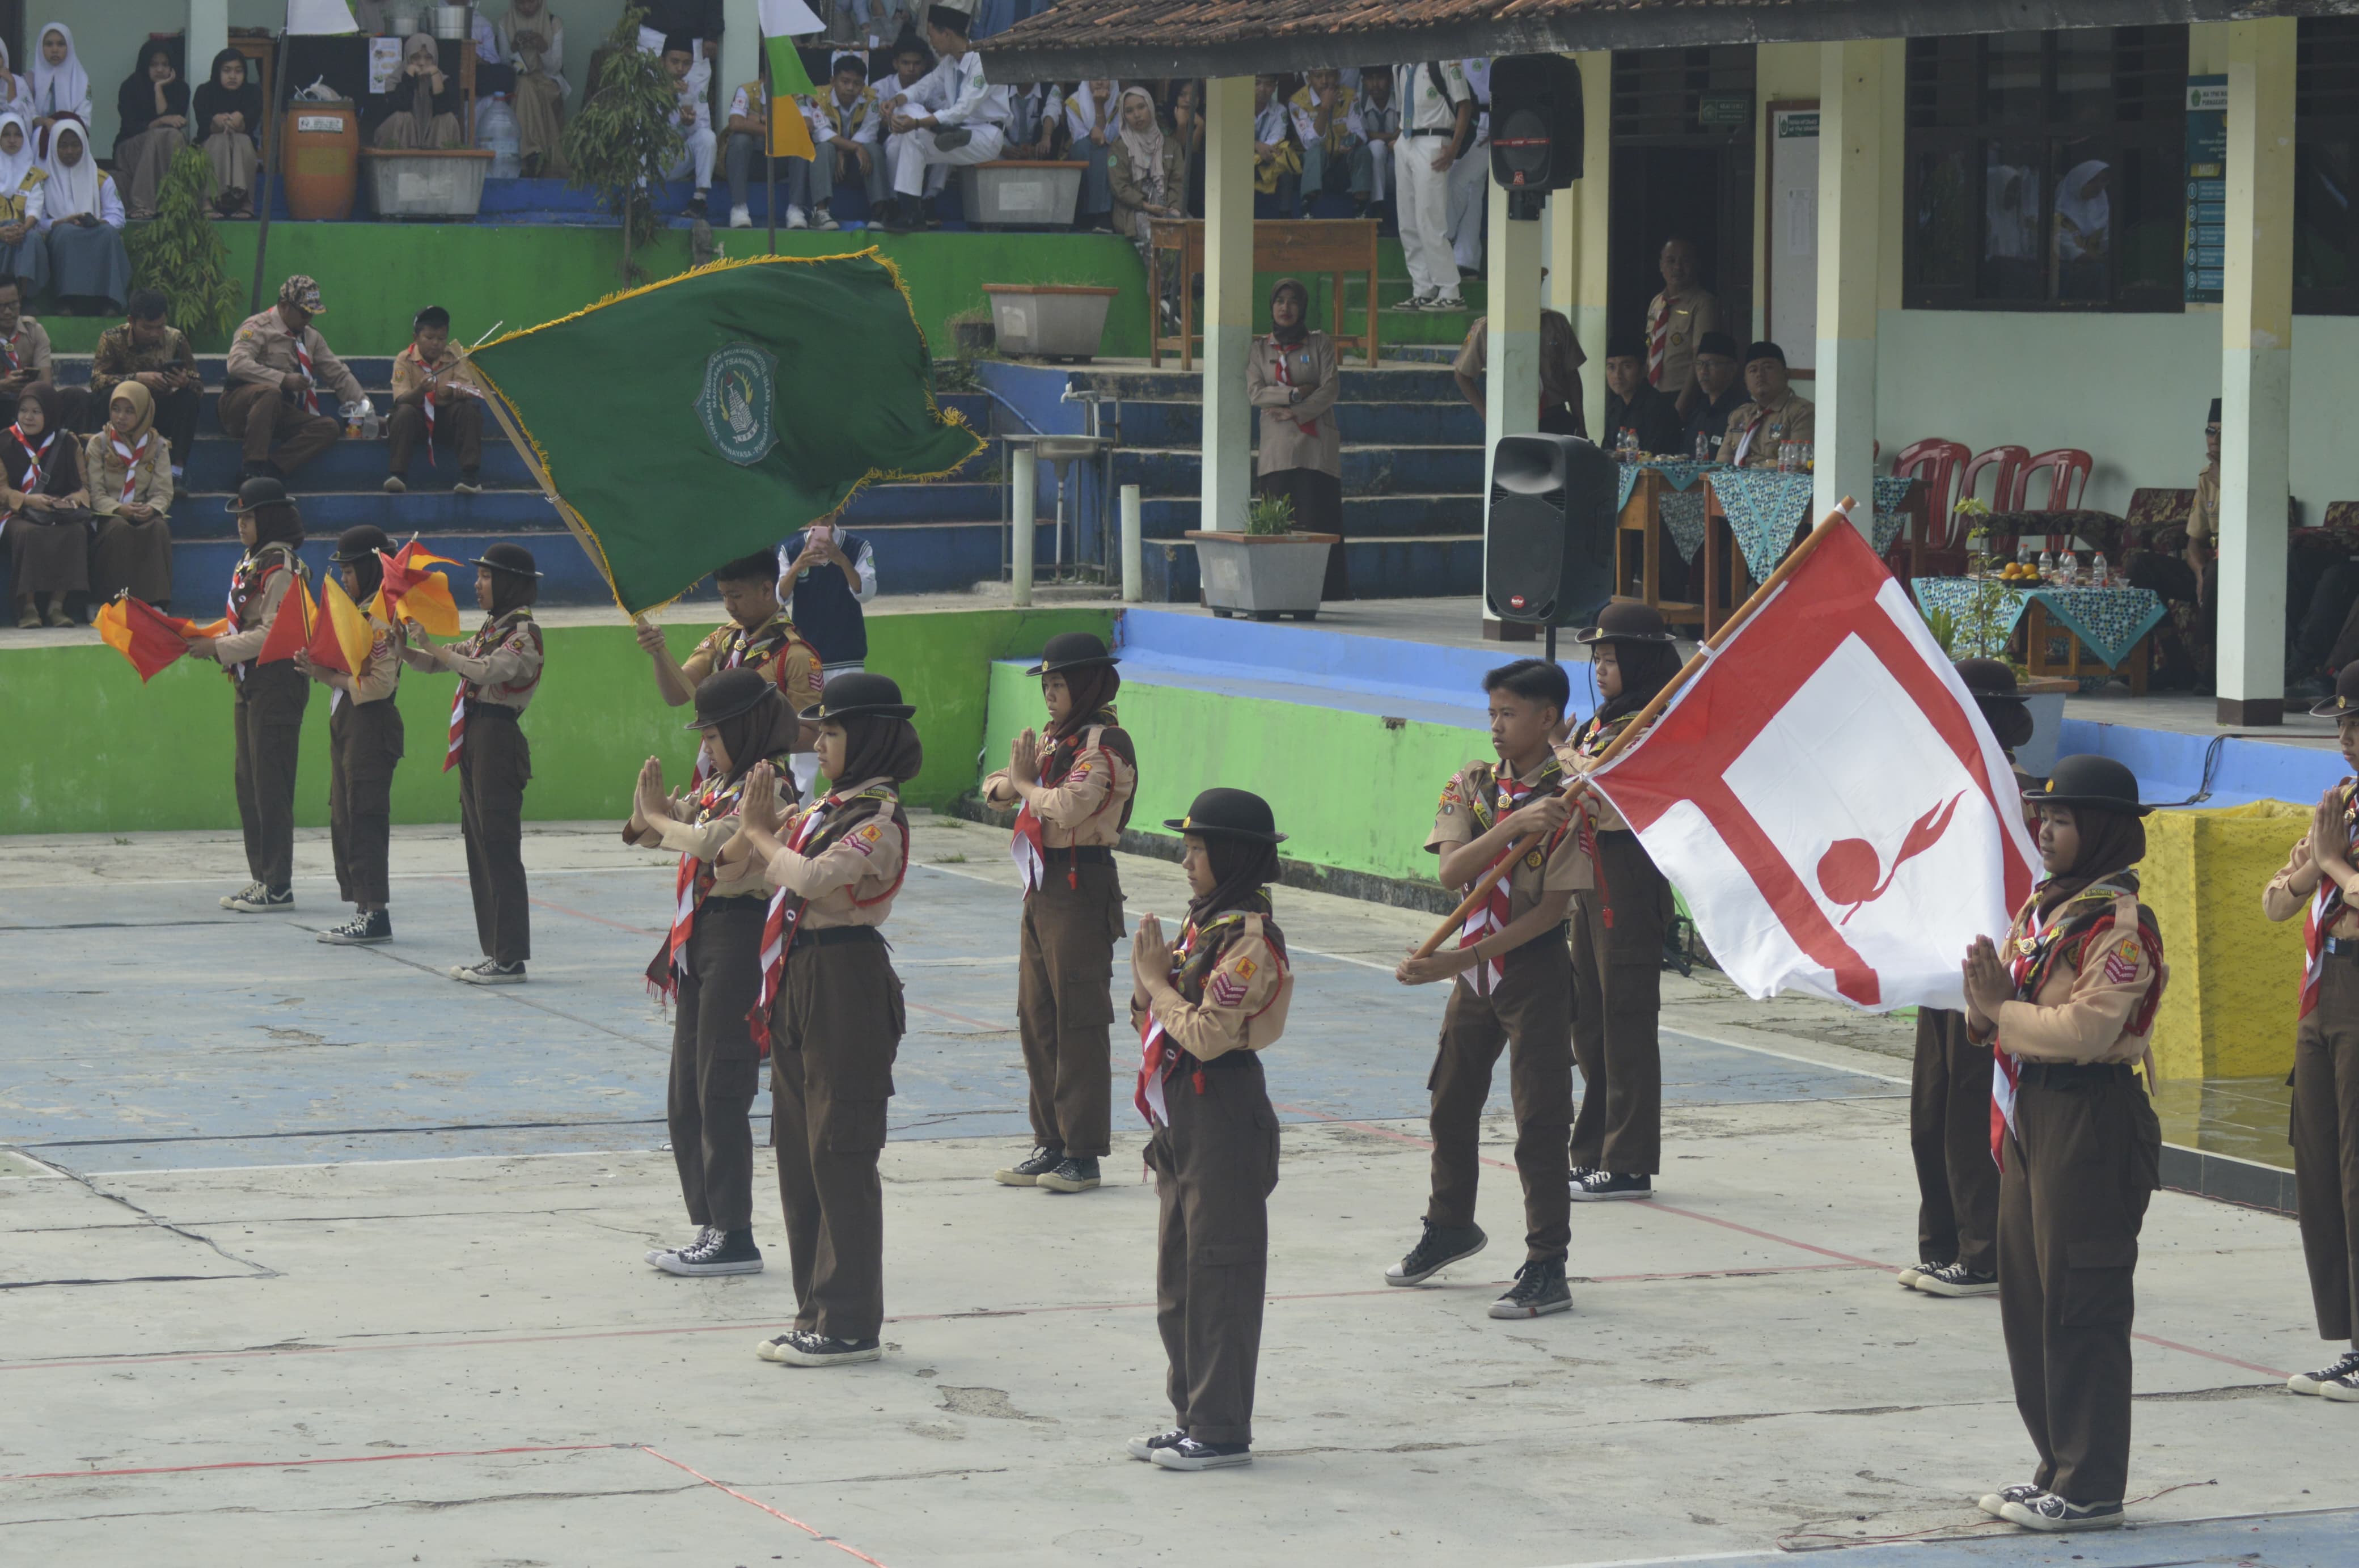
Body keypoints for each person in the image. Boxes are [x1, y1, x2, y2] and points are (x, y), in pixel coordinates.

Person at [1960, 755, 2166, 1535]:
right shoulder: (2046, 910)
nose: (2046, 830)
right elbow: (2007, 998)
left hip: (2090, 1117)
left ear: (2105, 830)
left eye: (2065, 819)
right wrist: (1986, 1008)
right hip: (2031, 1111)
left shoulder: (2120, 926)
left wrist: (1999, 1011)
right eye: (2044, 816)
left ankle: (2092, 1484)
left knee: (2083, 1299)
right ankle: (2056, 1464)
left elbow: (2087, 1029)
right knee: (2030, 1297)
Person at [1389, 657, 1590, 1318]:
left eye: (1510, 714)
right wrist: (1507, 828)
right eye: (1491, 714)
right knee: (1450, 1098)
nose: (1497, 727)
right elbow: (1451, 875)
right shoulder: (1471, 785)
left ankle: (1545, 1263)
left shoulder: (1573, 797)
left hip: (1530, 970)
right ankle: (1449, 1223)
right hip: (1473, 971)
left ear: (1548, 718)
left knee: (1538, 1120)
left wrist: (1454, 960)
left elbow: (1548, 913)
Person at [732, 673, 922, 1368]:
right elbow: (745, 864)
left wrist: (759, 832)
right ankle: (813, 1307)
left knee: (839, 1147)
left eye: (835, 731)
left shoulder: (878, 817)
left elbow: (811, 880)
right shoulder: (826, 808)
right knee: (796, 1146)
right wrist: (751, 831)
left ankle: (848, 1320)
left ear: (868, 737)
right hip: (797, 970)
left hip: (844, 976)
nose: (821, 740)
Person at [1127, 787, 1293, 1473]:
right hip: (1182, 1112)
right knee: (1179, 1274)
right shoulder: (1207, 925)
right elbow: (1153, 1016)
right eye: (1187, 845)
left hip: (1221, 1106)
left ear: (1229, 854)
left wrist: (1155, 984)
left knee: (1219, 1271)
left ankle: (1221, 1427)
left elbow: (1204, 1034)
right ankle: (1190, 1414)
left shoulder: (1248, 940)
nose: (1185, 858)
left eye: (1197, 847)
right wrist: (1151, 984)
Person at [628, 668, 802, 1279]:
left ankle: (734, 1232)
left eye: (713, 734)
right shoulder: (728, 779)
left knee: (721, 1085)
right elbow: (676, 824)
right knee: (685, 1090)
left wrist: (662, 818)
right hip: (701, 932)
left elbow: (712, 842)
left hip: (738, 935)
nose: (705, 746)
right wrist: (650, 812)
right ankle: (709, 1222)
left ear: (744, 727)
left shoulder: (770, 785)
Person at [980, 631, 1138, 1195]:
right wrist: (1019, 784)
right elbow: (993, 787)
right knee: (1036, 1016)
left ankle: (1082, 1151)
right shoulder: (1055, 741)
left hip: (1080, 882)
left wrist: (1022, 784)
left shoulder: (1104, 744)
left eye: (1059, 683)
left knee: (1079, 1019)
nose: (1049, 694)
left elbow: (1068, 806)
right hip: (1041, 882)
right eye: (1045, 684)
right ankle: (1049, 1139)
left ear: (1088, 683)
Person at [1900, 658, 2035, 1298]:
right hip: (1939, 966)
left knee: (1969, 1111)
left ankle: (1983, 1251)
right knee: (1930, 1108)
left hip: (1988, 970)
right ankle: (1943, 1241)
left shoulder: (2015, 792)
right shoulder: (1938, 784)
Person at [1554, 603, 1679, 1201]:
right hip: (1590, 877)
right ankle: (1592, 1148)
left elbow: (1598, 794)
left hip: (1627, 880)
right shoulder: (1601, 723)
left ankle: (1628, 1160)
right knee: (1588, 1018)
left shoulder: (1654, 723)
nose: (1600, 669)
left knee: (1625, 1021)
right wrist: (1567, 752)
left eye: (1611, 658)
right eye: (1597, 659)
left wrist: (1562, 753)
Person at [2260, 665, 2359, 1402]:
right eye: (2345, 724)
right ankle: (2352, 1335)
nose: (2349, 738)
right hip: (2322, 995)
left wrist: (2329, 866)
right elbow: (2275, 903)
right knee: (2322, 1168)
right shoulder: (2344, 805)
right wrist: (2308, 874)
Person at [399, 543, 546, 985]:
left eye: (485, 577)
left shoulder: (524, 633)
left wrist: (435, 648)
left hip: (497, 737)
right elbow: (438, 662)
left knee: (499, 845)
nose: (477, 585)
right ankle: (495, 950)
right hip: (475, 736)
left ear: (508, 583)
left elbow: (482, 671)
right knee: (480, 845)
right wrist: (405, 648)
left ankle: (510, 956)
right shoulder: (490, 629)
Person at [182, 477, 309, 911]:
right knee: (249, 782)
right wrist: (209, 640)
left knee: (271, 784)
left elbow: (273, 633)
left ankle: (279, 885)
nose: (241, 523)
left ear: (269, 517)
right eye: (239, 516)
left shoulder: (281, 568)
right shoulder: (252, 561)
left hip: (276, 681)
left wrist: (215, 648)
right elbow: (244, 626)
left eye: (249, 516)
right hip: (248, 680)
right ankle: (262, 877)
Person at [294, 526, 408, 948]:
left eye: (349, 570)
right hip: (347, 721)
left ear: (368, 567)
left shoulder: (381, 616)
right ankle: (363, 906)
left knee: (365, 816)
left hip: (370, 723)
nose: (344, 578)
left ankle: (375, 911)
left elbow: (378, 685)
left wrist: (324, 674)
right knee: (345, 814)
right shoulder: (357, 611)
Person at [637, 551, 823, 787]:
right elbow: (677, 693)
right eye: (723, 595)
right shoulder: (723, 639)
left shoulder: (795, 654)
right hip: (715, 779)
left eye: (735, 595)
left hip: (761, 780)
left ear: (767, 590)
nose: (728, 606)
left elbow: (813, 733)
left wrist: (746, 739)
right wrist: (658, 654)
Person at [1249, 277, 1346, 599]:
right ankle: (1281, 591)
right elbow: (1256, 393)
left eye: (1292, 301)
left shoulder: (1319, 344)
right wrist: (1293, 395)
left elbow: (1330, 388)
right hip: (1277, 450)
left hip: (1315, 447)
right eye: (1280, 301)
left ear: (1302, 307)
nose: (1285, 308)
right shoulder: (1260, 348)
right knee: (1279, 523)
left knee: (1318, 519)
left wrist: (1298, 413)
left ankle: (1326, 593)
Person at [878, 6, 1008, 232]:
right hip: (957, 133)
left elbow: (962, 110)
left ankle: (946, 131)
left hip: (986, 136)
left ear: (947, 34)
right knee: (911, 130)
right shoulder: (949, 64)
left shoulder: (984, 62)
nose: (931, 42)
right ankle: (911, 213)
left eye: (932, 36)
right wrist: (896, 101)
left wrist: (920, 123)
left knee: (918, 127)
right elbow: (922, 88)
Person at [222, 275, 363, 481]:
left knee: (328, 427)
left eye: (312, 314)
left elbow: (338, 373)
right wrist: (282, 379)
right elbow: (236, 364)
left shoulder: (310, 336)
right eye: (304, 313)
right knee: (271, 392)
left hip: (280, 410)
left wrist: (365, 412)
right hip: (241, 407)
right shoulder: (258, 327)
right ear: (284, 306)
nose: (308, 319)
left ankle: (271, 470)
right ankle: (251, 468)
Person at [90, 290, 201, 496]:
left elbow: (199, 385)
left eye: (159, 327)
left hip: (159, 412)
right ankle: (108, 464)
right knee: (103, 398)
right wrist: (136, 379)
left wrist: (185, 382)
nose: (154, 334)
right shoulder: (112, 339)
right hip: (123, 414)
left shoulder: (176, 339)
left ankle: (176, 473)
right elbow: (96, 381)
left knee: (188, 400)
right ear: (131, 320)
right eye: (147, 328)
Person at [83, 381, 175, 613]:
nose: (121, 417)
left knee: (157, 528)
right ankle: (107, 602)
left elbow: (163, 491)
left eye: (129, 411)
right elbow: (96, 492)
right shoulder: (100, 444)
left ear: (144, 413)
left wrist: (152, 509)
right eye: (116, 410)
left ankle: (153, 603)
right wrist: (118, 509)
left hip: (142, 511)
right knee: (119, 529)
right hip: (108, 514)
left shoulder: (159, 446)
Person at [2, 381, 87, 627]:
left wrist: (73, 500)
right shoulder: (4, 441)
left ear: (50, 413)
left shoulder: (68, 442)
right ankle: (28, 608)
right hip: (15, 512)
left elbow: (84, 486)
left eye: (36, 412)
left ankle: (57, 607)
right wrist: (28, 500)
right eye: (23, 410)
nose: (28, 417)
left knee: (76, 532)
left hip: (56, 511)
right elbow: (2, 490)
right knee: (30, 533)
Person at [1392, 61, 1473, 312]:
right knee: (1407, 221)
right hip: (1406, 139)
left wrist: (1454, 147)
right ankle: (1423, 288)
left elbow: (1464, 105)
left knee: (1430, 218)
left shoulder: (1445, 61)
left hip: (1434, 138)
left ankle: (1450, 290)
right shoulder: (1399, 66)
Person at [385, 305, 485, 495]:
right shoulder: (404, 360)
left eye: (441, 339)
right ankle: (398, 476)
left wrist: (461, 392)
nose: (436, 344)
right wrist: (421, 391)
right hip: (418, 422)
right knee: (403, 412)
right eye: (429, 338)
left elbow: (466, 385)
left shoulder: (454, 357)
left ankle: (470, 477)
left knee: (469, 410)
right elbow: (401, 399)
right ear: (416, 338)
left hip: (446, 421)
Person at [1452, 303, 1587, 438]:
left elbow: (1572, 376)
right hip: (1512, 418)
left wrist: (1581, 423)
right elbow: (1462, 374)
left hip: (1554, 415)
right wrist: (1488, 418)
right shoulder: (1488, 327)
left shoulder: (1556, 323)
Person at [37, 121, 130, 316]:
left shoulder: (102, 178)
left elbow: (117, 216)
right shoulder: (42, 180)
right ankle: (67, 301)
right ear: (54, 147)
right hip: (59, 233)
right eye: (63, 146)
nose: (70, 151)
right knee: (67, 233)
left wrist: (99, 222)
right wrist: (60, 222)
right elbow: (38, 220)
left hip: (95, 229)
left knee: (108, 233)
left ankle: (110, 301)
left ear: (84, 146)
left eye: (75, 145)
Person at [775, 517, 876, 680]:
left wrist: (842, 560)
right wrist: (797, 567)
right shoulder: (791, 551)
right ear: (807, 519)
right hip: (806, 656)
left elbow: (866, 594)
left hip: (848, 656)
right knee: (810, 706)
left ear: (836, 512)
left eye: (827, 518)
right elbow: (781, 599)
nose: (821, 525)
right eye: (816, 519)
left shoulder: (858, 547)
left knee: (848, 705)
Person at [1108, 85, 1183, 285]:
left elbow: (1178, 182)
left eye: (1141, 107)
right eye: (1130, 111)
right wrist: (1147, 206)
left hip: (1167, 208)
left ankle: (1188, 290)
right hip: (1134, 213)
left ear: (1150, 107)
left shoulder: (1170, 145)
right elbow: (1119, 187)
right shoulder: (1119, 147)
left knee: (1191, 233)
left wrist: (1174, 207)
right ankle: (1162, 297)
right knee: (1159, 238)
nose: (1137, 115)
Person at [800, 54, 885, 228]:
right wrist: (852, 148)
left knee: (874, 149)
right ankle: (820, 213)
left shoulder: (872, 99)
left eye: (857, 83)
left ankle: (880, 212)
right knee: (823, 148)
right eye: (845, 82)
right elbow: (821, 134)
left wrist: (844, 152)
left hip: (857, 165)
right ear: (833, 81)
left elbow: (869, 133)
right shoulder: (817, 97)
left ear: (863, 85)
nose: (850, 88)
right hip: (828, 165)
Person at [1643, 238, 1722, 419]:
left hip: (1682, 394)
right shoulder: (1657, 302)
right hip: (1654, 394)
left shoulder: (1703, 303)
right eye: (1671, 261)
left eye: (1685, 261)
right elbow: (1650, 349)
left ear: (1696, 265)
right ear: (1661, 266)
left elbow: (1700, 358)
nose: (1677, 267)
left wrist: (1681, 404)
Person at [112, 44, 188, 223]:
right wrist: (160, 122)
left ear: (172, 67)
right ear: (145, 65)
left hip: (163, 144)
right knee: (159, 134)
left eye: (165, 64)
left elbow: (174, 123)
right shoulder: (130, 87)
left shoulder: (181, 89)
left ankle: (176, 203)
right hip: (129, 149)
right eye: (154, 65)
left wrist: (159, 88)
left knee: (173, 136)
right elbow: (130, 127)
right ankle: (142, 203)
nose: (160, 69)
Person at [1715, 340, 1815, 470]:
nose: (1759, 375)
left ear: (1786, 375)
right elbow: (1721, 463)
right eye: (1753, 370)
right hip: (1733, 487)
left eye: (1768, 368)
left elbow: (1798, 467)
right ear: (1745, 381)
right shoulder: (1739, 416)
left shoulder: (1802, 413)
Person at [500, 0, 570, 179]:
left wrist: (542, 47)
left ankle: (530, 156)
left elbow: (554, 68)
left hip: (547, 81)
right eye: (521, 3)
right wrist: (515, 48)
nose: (527, 7)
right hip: (520, 80)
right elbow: (506, 68)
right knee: (525, 85)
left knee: (527, 90)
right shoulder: (505, 24)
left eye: (531, 2)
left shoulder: (554, 23)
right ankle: (537, 156)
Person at [651, 34, 718, 217]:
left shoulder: (695, 90)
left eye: (687, 63)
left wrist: (690, 124)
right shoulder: (649, 86)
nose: (681, 68)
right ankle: (639, 197)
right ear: (662, 61)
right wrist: (666, 96)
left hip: (679, 159)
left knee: (708, 138)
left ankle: (699, 200)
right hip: (651, 160)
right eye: (675, 62)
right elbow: (643, 125)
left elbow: (704, 130)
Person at [191, 49, 260, 218]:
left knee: (241, 140)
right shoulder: (204, 92)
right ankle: (207, 202)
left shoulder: (253, 92)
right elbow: (204, 123)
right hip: (210, 144)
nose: (233, 76)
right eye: (227, 70)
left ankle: (246, 204)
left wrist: (239, 120)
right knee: (219, 140)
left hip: (242, 145)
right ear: (218, 71)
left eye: (239, 71)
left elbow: (250, 122)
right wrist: (218, 121)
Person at [1443, 57, 1491, 276]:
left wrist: (1500, 122)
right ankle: (1467, 258)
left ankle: (1445, 239)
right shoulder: (1456, 47)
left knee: (1457, 180)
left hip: (1488, 120)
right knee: (1474, 190)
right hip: (1461, 119)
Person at [1290, 68, 1361, 212]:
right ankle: (1307, 208)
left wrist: (1350, 142)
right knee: (1316, 152)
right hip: (1311, 169)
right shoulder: (1298, 101)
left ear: (1338, 77)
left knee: (1363, 152)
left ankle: (1362, 207)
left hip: (1341, 163)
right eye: (1318, 77)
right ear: (1309, 78)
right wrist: (1325, 107)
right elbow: (1311, 143)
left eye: (1329, 75)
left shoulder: (1349, 96)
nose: (1324, 81)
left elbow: (1360, 133)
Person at [375, 34, 464, 150]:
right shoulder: (395, 80)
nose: (422, 63)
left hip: (431, 136)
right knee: (403, 118)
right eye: (416, 57)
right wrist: (409, 76)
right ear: (407, 57)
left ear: (435, 58)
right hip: (401, 136)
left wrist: (435, 76)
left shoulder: (444, 80)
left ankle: (440, 164)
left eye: (428, 58)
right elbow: (401, 105)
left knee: (446, 119)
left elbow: (443, 108)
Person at [1601, 333, 1682, 457]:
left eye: (1627, 366)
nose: (1617, 375)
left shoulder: (1659, 409)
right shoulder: (1615, 409)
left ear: (1644, 369)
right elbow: (1606, 455)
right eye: (1611, 367)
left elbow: (1652, 458)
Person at [1680, 331, 1746, 461]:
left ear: (1732, 369)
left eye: (1711, 364)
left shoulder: (1743, 412)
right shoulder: (1697, 411)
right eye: (1699, 364)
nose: (1703, 371)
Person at [0, 113, 47, 293]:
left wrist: (22, 229)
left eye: (18, 135)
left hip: (22, 232)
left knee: (32, 239)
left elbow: (35, 209)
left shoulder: (34, 174)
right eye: (7, 135)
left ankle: (22, 297)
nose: (12, 140)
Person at [1065, 78, 1117, 230]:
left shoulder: (1122, 101)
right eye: (1094, 78)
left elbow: (1110, 137)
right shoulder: (1073, 102)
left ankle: (1103, 216)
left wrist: (1098, 106)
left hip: (1113, 153)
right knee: (1086, 148)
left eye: (1104, 78)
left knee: (1106, 152)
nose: (1099, 83)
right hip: (1084, 153)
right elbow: (1080, 139)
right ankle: (1091, 215)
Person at [1246, 74, 1299, 219]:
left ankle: (1285, 217)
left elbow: (1275, 141)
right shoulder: (1240, 107)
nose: (1262, 89)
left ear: (1275, 87)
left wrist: (1260, 149)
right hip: (1241, 159)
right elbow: (1234, 138)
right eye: (1257, 83)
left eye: (1268, 85)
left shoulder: (1280, 110)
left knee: (1285, 165)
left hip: (1266, 159)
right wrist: (1256, 145)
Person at [1349, 65, 1398, 216]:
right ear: (1363, 81)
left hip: (1399, 167)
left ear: (1390, 80)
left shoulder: (1401, 101)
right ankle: (1378, 207)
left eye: (1380, 78)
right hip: (1372, 171)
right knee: (1376, 147)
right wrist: (1392, 136)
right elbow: (1364, 134)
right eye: (1370, 79)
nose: (1375, 84)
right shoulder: (1359, 101)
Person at [27, 23, 88, 136]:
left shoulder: (80, 80)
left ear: (69, 46)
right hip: (37, 144)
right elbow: (27, 114)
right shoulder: (29, 80)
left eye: (61, 44)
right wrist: (45, 122)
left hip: (70, 143)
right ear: (41, 47)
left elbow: (84, 119)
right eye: (49, 44)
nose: (55, 50)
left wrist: (61, 129)